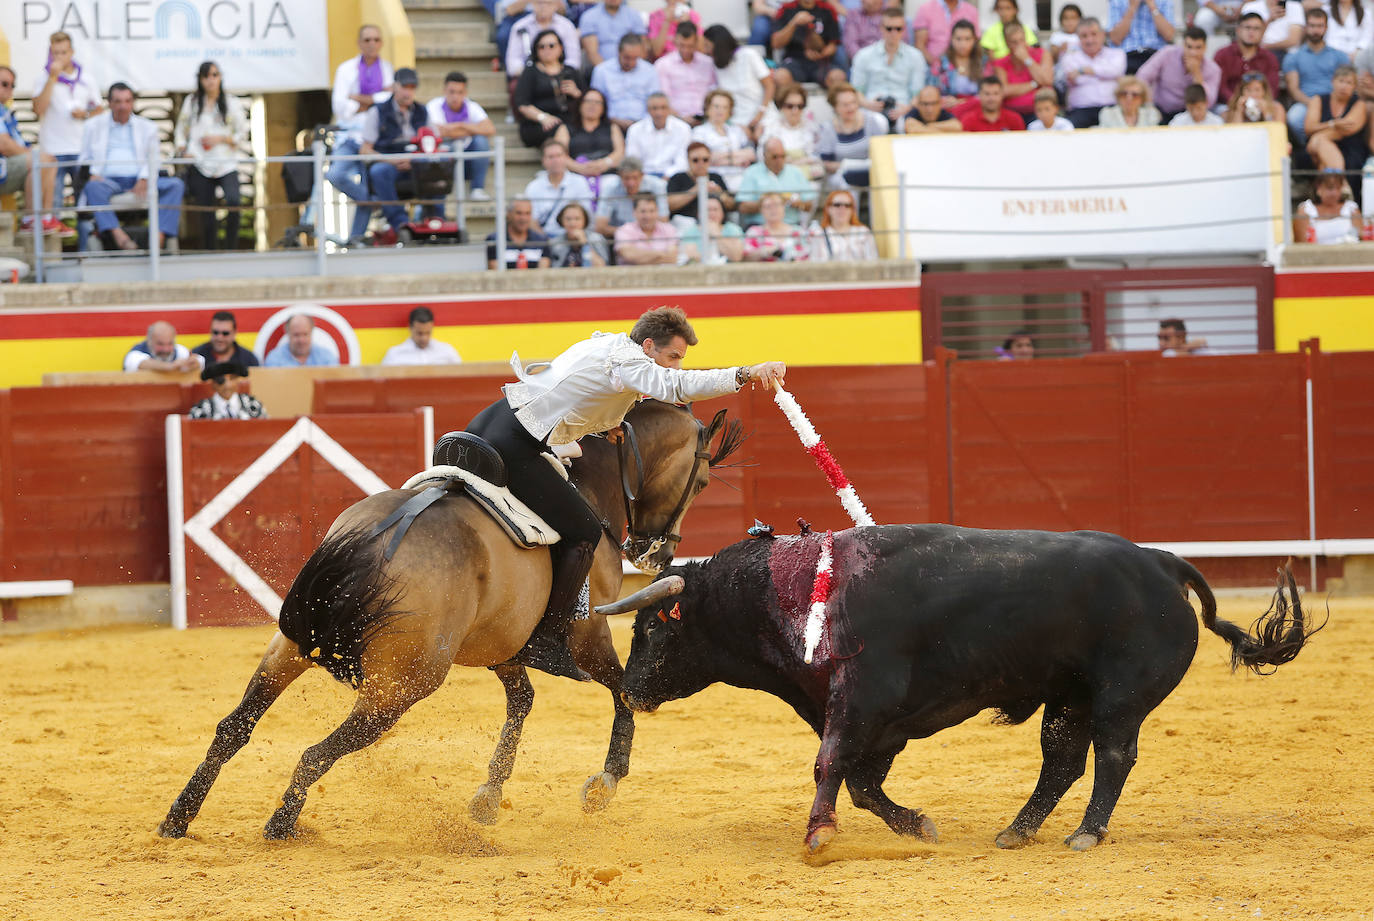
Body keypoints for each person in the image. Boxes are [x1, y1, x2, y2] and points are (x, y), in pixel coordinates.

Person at [462, 306, 785, 677]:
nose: (676, 366)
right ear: (648, 345)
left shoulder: (608, 345)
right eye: (673, 356)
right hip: (518, 443)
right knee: (584, 531)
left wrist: (605, 423)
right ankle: (547, 639)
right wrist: (746, 373)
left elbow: (574, 388)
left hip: (491, 422)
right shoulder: (629, 363)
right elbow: (675, 388)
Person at [79, 83, 185, 252]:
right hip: (108, 181)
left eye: (127, 101)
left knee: (175, 186)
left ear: (133, 103)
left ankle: (158, 239)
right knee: (92, 188)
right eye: (118, 101)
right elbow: (85, 157)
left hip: (140, 180)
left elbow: (154, 157)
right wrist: (92, 173)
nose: (123, 106)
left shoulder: (147, 127)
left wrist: (144, 177)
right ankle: (120, 237)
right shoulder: (93, 126)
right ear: (110, 103)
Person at [328, 25, 393, 244]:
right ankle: (372, 202)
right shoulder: (346, 69)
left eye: (376, 39)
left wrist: (360, 99)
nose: (372, 44)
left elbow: (387, 103)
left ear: (381, 42)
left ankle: (355, 240)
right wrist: (375, 99)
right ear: (359, 43)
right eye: (367, 40)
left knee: (367, 183)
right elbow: (340, 107)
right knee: (336, 174)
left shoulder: (387, 68)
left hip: (372, 137)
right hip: (349, 135)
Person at [174, 61, 248, 250]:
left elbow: (242, 133)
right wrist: (184, 151)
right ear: (200, 79)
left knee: (234, 202)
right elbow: (181, 131)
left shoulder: (231, 102)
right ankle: (211, 252)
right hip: (200, 163)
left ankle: (231, 249)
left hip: (226, 163)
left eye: (214, 75)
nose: (211, 80)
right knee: (206, 213)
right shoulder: (192, 102)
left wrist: (222, 138)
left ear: (220, 77)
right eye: (206, 76)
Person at [32, 31, 103, 222]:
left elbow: (100, 110)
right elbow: (38, 109)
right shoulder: (43, 79)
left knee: (85, 205)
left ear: (71, 52)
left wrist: (85, 114)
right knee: (52, 205)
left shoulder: (86, 78)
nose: (59, 57)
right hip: (53, 150)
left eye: (63, 52)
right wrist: (52, 78)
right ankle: (53, 251)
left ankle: (85, 251)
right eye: (55, 53)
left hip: (81, 149)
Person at [358, 68, 430, 239]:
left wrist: (414, 159)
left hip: (416, 162)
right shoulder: (377, 111)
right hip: (389, 162)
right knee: (379, 172)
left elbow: (431, 142)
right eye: (405, 87)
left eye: (412, 87)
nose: (408, 92)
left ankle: (435, 220)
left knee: (439, 166)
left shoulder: (422, 111)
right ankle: (401, 224)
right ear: (394, 87)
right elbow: (365, 149)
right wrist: (391, 161)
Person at [1, 66, 61, 233]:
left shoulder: (4, 111)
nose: (9, 89)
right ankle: (30, 219)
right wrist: (33, 155)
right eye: (4, 84)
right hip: (3, 167)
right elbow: (4, 145)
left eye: (12, 85)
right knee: (42, 160)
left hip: (7, 168)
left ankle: (45, 218)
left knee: (50, 162)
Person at [851, 7, 929, 129]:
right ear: (881, 28)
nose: (894, 33)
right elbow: (856, 91)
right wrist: (868, 104)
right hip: (871, 108)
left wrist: (907, 108)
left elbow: (917, 93)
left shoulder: (916, 56)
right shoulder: (863, 55)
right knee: (877, 124)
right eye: (889, 29)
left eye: (898, 29)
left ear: (904, 29)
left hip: (903, 109)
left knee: (905, 124)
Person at [425, 71, 496, 202]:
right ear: (444, 91)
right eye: (451, 92)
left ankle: (477, 189)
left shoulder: (472, 106)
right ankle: (441, 191)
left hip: (467, 160)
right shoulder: (433, 106)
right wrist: (472, 129)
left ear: (465, 93)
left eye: (459, 92)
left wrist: (460, 125)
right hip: (445, 159)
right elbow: (439, 132)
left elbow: (490, 129)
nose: (455, 97)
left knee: (481, 141)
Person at [1285, 7, 1351, 145]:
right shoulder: (1293, 57)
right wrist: (1315, 105)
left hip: (1336, 101)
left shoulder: (1340, 56)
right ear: (1305, 27)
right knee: (1294, 117)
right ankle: (1309, 146)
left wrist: (1329, 104)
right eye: (1312, 25)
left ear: (1326, 28)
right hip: (1306, 102)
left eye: (1320, 26)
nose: (1315, 30)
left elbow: (1346, 83)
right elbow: (1294, 89)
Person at [514, 30, 586, 149]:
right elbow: (522, 104)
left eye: (551, 46)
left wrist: (576, 93)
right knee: (562, 129)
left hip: (570, 120)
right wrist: (543, 117)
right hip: (538, 123)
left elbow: (587, 98)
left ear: (561, 48)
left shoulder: (570, 71)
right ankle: (568, 166)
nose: (547, 50)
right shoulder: (530, 72)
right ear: (536, 50)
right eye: (542, 47)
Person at [702, 26, 773, 142]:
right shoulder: (716, 66)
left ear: (718, 45)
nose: (706, 51)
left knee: (767, 142)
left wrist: (761, 113)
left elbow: (769, 85)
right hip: (737, 123)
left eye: (708, 46)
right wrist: (738, 126)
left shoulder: (748, 55)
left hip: (763, 115)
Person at [1136, 26, 1221, 121]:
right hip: (1161, 112)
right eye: (1189, 47)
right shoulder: (1167, 53)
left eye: (1198, 48)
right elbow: (1142, 76)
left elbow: (1209, 102)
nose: (1193, 52)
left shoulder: (1213, 69)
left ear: (1205, 47)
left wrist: (1197, 74)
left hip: (1191, 116)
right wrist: (1149, 105)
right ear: (1183, 45)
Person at [818, 84, 890, 187]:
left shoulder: (871, 120)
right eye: (845, 104)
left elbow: (883, 152)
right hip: (843, 175)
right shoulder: (828, 128)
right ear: (835, 107)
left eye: (853, 102)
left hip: (871, 171)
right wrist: (849, 165)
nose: (851, 107)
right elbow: (827, 163)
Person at [1061, 18, 1128, 127]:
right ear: (1078, 38)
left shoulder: (1117, 53)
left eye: (1094, 34)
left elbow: (1116, 70)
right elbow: (1075, 79)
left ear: (1102, 35)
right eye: (1084, 36)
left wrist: (1083, 70)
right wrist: (1107, 75)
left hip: (1112, 108)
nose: (1089, 40)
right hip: (1081, 109)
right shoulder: (1069, 57)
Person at [552, 89, 624, 190]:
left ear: (603, 108)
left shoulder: (612, 127)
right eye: (588, 101)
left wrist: (604, 163)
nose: (592, 105)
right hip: (576, 177)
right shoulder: (565, 129)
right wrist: (580, 168)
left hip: (608, 176)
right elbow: (559, 154)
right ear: (580, 104)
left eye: (597, 102)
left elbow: (620, 153)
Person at [737, 137, 817, 227]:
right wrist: (767, 203)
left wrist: (797, 203)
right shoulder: (751, 172)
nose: (779, 160)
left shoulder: (795, 172)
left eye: (782, 156)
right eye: (774, 157)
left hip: (791, 226)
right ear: (764, 155)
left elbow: (809, 205)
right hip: (760, 227)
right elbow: (742, 207)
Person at [524, 139, 595, 235]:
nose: (555, 160)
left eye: (559, 155)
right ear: (543, 160)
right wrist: (546, 243)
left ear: (566, 157)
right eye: (551, 157)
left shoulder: (579, 182)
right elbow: (531, 221)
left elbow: (586, 216)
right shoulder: (534, 187)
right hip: (544, 238)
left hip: (574, 237)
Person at [1305, 65, 1368, 172]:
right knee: (1321, 148)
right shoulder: (1318, 100)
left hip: (1349, 147)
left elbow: (1347, 129)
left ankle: (1330, 185)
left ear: (1355, 87)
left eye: (1349, 83)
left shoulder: (1359, 104)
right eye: (1341, 81)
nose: (1344, 86)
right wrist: (1332, 124)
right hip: (1320, 147)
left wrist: (1318, 138)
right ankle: (1341, 184)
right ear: (1333, 81)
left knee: (1320, 147)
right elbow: (1309, 128)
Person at [757, 84, 824, 181]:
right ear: (781, 106)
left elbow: (819, 157)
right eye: (790, 106)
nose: (795, 111)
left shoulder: (812, 128)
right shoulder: (771, 127)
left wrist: (793, 163)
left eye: (800, 106)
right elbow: (761, 155)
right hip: (777, 177)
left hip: (807, 179)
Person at [990, 22, 1054, 121]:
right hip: (1012, 111)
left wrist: (1027, 59)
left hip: (1039, 112)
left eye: (1022, 40)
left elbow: (1047, 80)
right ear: (1007, 43)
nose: (1019, 45)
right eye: (1014, 42)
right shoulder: (1000, 63)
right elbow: (1004, 90)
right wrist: (1035, 84)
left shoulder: (1042, 53)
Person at [691, 90, 756, 189]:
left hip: (741, 177)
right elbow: (705, 158)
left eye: (725, 107)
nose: (720, 111)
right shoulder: (699, 132)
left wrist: (722, 157)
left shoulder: (737, 130)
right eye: (716, 106)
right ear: (707, 108)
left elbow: (751, 154)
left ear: (730, 111)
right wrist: (736, 158)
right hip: (714, 179)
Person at [655, 22, 717, 122]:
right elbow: (663, 99)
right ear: (675, 40)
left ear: (697, 41)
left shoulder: (708, 63)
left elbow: (714, 92)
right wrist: (681, 118)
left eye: (690, 46)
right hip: (675, 120)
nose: (685, 50)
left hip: (707, 118)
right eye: (681, 45)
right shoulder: (663, 64)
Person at [771, 0, 843, 86]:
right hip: (793, 60)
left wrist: (820, 54)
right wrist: (794, 23)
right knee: (780, 76)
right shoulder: (786, 9)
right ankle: (792, 99)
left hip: (820, 62)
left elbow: (833, 45)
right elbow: (775, 44)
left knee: (838, 76)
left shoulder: (828, 9)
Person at [1215, 12, 1281, 103]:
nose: (1251, 32)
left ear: (1263, 32)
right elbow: (1220, 87)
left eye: (1256, 28)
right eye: (1247, 27)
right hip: (1229, 105)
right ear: (1238, 30)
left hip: (1261, 105)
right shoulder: (1222, 55)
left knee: (1278, 109)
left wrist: (1256, 105)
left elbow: (1272, 89)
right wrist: (1237, 103)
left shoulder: (1270, 58)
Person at [667, 141, 736, 227]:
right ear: (688, 160)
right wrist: (697, 189)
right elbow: (669, 205)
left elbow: (732, 205)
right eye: (695, 160)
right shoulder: (678, 178)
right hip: (685, 225)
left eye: (705, 160)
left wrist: (720, 194)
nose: (701, 164)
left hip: (717, 225)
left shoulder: (716, 177)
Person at [594, 158, 669, 237]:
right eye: (626, 178)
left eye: (635, 178)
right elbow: (600, 227)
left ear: (642, 175)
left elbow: (663, 221)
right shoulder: (610, 188)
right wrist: (630, 234)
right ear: (619, 175)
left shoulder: (657, 185)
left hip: (653, 238)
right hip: (620, 238)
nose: (631, 183)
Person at [624, 92, 693, 178]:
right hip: (642, 178)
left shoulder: (683, 128)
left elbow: (683, 162)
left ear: (669, 109)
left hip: (673, 178)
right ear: (648, 110)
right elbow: (633, 161)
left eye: (663, 108)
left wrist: (668, 175)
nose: (659, 113)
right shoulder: (635, 130)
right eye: (654, 108)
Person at [507, 0, 582, 77]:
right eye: (539, 2)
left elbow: (574, 60)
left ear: (556, 5)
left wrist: (556, 71)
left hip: (561, 75)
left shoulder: (567, 26)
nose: (543, 6)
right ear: (532, 4)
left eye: (548, 3)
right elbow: (513, 63)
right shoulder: (520, 26)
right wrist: (534, 73)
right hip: (529, 76)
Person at [929, 19, 986, 111]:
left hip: (977, 109)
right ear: (951, 39)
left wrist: (962, 102)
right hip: (948, 110)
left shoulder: (983, 62)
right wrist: (944, 100)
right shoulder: (940, 63)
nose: (963, 44)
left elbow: (990, 93)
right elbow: (930, 92)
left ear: (975, 40)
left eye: (967, 39)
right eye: (958, 39)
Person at [807, 189, 878, 261]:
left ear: (852, 210)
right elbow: (816, 266)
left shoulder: (864, 232)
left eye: (847, 205)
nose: (842, 209)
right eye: (837, 205)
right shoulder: (819, 234)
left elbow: (873, 262)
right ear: (828, 209)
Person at [1107, 0, 1177, 74]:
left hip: (1156, 56)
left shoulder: (1164, 2)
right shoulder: (1117, 2)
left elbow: (1169, 35)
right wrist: (1132, 8)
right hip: (1127, 57)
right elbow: (1115, 38)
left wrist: (1152, 7)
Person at [1294, 168, 1362, 243]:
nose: (1334, 193)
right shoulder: (1305, 210)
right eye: (1330, 188)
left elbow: (1360, 238)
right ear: (1318, 189)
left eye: (1338, 188)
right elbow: (1302, 244)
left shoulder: (1351, 209)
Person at [613, 193, 680, 263]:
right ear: (634, 212)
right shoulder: (624, 230)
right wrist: (661, 254)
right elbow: (628, 255)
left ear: (657, 211)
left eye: (652, 211)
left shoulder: (669, 229)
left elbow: (672, 258)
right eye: (643, 211)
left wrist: (640, 257)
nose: (648, 216)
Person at [381, 307, 462, 365]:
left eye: (428, 333)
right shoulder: (395, 355)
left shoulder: (447, 351)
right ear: (410, 328)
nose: (424, 338)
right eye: (419, 333)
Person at [913, 0, 981, 68]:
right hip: (931, 67)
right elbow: (920, 45)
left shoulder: (971, 11)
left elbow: (976, 43)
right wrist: (938, 67)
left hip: (965, 68)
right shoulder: (926, 9)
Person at [487, 198, 553, 268]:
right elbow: (495, 272)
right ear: (509, 214)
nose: (523, 218)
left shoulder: (541, 241)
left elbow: (543, 273)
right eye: (519, 213)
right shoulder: (494, 240)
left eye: (527, 213)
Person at [188, 361, 267, 420]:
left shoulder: (253, 405)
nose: (227, 385)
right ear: (213, 384)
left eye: (232, 378)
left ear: (238, 381)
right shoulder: (201, 410)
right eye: (220, 381)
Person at [579, 0, 647, 68]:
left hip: (632, 67)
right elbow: (592, 53)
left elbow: (642, 48)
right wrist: (609, 73)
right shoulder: (589, 16)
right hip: (601, 69)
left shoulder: (634, 15)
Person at [744, 192, 810, 261]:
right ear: (761, 210)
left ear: (784, 207)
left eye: (777, 205)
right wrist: (762, 252)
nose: (773, 209)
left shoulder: (799, 231)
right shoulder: (754, 232)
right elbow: (744, 259)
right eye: (768, 206)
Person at [679, 195, 746, 262]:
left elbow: (737, 257)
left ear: (722, 213)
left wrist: (716, 233)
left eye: (715, 209)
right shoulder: (690, 232)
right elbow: (691, 257)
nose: (712, 213)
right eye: (708, 210)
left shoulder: (733, 229)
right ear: (699, 214)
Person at [124, 321, 203, 373]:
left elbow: (200, 361)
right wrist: (171, 367)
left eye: (170, 344)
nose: (165, 349)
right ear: (149, 341)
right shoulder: (136, 353)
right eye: (160, 344)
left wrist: (194, 364)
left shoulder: (180, 350)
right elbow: (139, 363)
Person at [549, 201, 611, 266]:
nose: (572, 223)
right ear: (561, 220)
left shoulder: (596, 239)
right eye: (568, 219)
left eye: (577, 219)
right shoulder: (555, 243)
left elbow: (602, 266)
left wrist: (585, 244)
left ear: (585, 220)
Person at [191, 310, 260, 368]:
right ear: (210, 331)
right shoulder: (197, 355)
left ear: (234, 333)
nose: (220, 338)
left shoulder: (249, 359)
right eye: (215, 332)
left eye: (225, 333)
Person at [264, 315, 340, 367]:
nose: (301, 340)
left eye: (305, 334)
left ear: (311, 332)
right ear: (287, 333)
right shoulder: (274, 359)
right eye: (296, 335)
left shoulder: (327, 357)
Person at [955, 76, 1027, 131]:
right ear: (979, 95)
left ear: (1002, 95)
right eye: (987, 94)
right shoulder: (968, 120)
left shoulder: (1015, 119)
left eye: (996, 93)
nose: (991, 98)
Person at [1097, 75, 1163, 126]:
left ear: (1142, 98)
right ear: (1118, 96)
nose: (1129, 98)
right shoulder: (1107, 113)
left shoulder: (1151, 114)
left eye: (1135, 95)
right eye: (1124, 94)